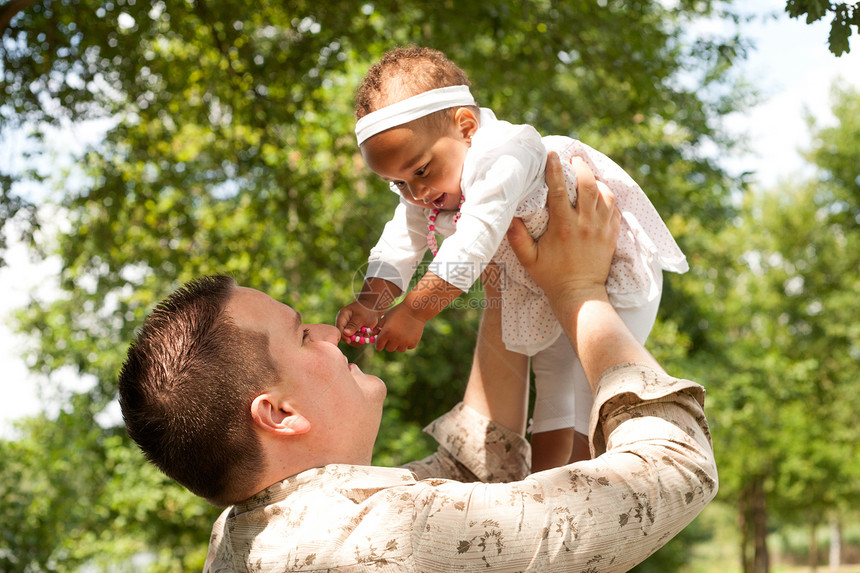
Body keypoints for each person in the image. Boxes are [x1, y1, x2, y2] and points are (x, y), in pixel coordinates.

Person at [118, 154, 717, 572]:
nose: (329, 331)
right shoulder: (385, 542)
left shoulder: (251, 535)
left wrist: (504, 271)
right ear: (278, 413)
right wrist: (580, 291)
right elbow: (673, 472)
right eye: (302, 336)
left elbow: (478, 471)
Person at [336, 46, 689, 470]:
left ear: (466, 126)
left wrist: (415, 310)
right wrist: (371, 301)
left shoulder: (505, 152)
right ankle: (545, 484)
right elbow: (400, 240)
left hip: (609, 272)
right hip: (540, 287)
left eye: (421, 171)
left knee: (585, 386)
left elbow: (474, 240)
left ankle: (591, 479)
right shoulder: (427, 189)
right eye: (397, 184)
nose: (415, 193)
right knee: (553, 378)